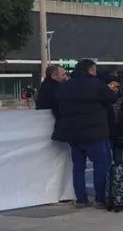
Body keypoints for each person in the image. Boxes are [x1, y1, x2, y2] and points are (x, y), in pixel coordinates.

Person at [50, 59, 116, 209]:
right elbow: (111, 98)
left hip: (72, 133)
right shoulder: (96, 84)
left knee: (78, 166)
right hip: (94, 131)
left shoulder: (65, 86)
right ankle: (100, 198)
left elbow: (57, 106)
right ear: (91, 70)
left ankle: (81, 198)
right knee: (101, 164)